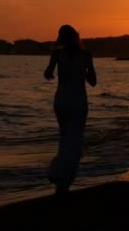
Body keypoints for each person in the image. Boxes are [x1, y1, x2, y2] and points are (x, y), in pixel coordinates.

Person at [44, 24, 97, 196]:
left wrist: (56, 69)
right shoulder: (85, 55)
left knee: (65, 138)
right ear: (76, 36)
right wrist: (82, 71)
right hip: (78, 102)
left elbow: (47, 74)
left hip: (61, 101)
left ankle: (58, 175)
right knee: (74, 141)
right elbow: (93, 81)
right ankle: (63, 179)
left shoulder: (58, 53)